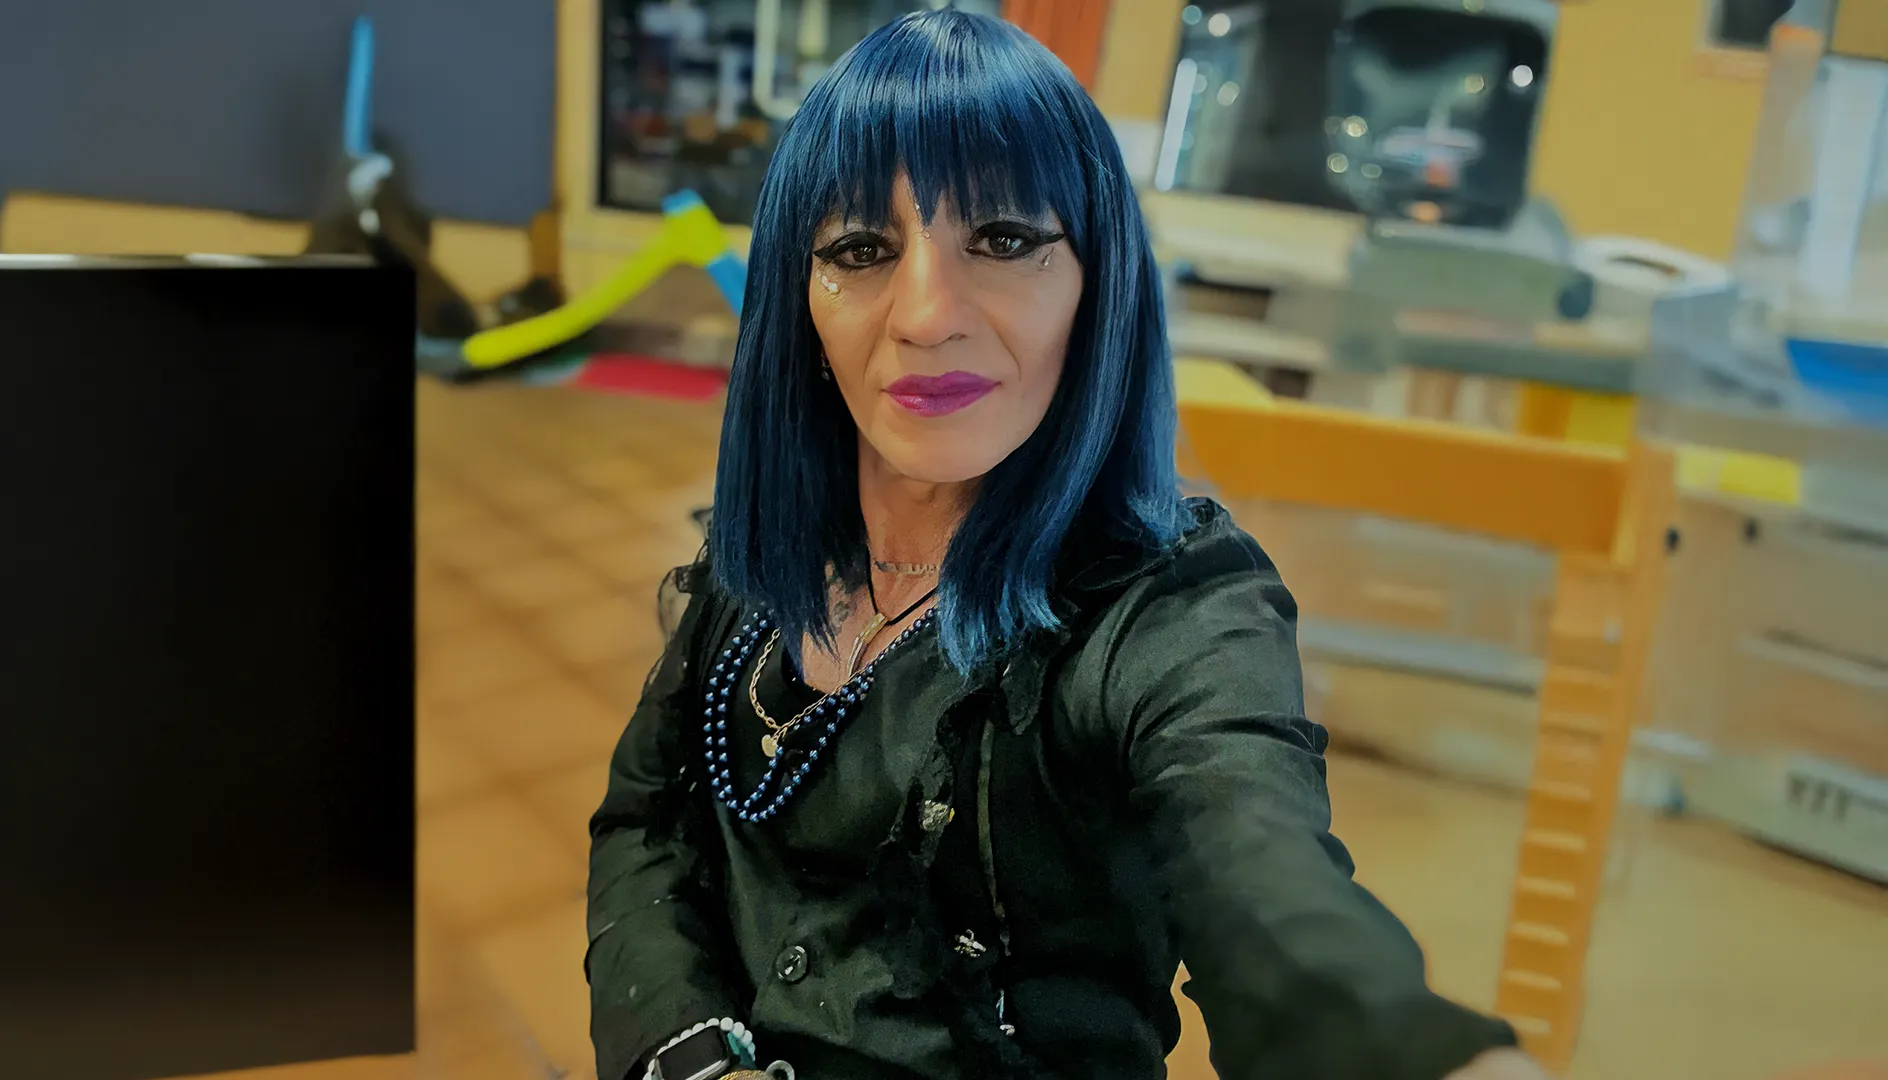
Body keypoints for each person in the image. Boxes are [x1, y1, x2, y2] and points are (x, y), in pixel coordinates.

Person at [587, 11, 1549, 1080]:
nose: (926, 316)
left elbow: (1263, 882)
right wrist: (686, 1059)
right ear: (799, 304)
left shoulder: (1161, 610)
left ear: (1097, 283)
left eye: (1004, 240)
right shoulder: (761, 558)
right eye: (861, 250)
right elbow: (644, 827)